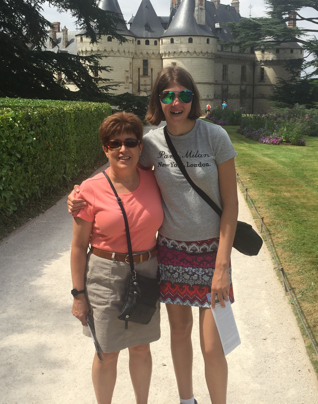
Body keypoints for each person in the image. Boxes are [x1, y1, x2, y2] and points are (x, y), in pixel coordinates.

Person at [69, 66, 238, 404]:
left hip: (212, 254)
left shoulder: (215, 137)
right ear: (158, 100)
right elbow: (121, 168)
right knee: (180, 333)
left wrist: (222, 266)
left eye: (184, 95)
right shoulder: (150, 143)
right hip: (171, 252)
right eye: (168, 96)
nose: (176, 103)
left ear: (193, 98)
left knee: (212, 345)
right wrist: (79, 194)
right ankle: (186, 400)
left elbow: (231, 205)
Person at [70, 112, 164, 404]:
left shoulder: (155, 180)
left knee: (141, 348)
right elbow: (78, 247)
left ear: (140, 147)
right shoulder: (89, 189)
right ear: (105, 149)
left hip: (146, 272)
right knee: (107, 352)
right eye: (115, 143)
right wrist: (78, 295)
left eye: (131, 142)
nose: (123, 149)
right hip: (105, 275)